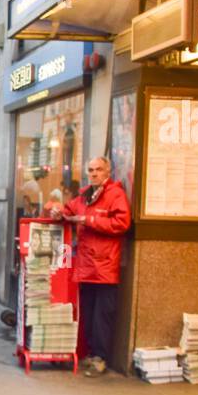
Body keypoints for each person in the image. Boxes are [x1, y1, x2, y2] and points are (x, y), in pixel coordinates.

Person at [51, 156, 131, 377]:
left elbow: (122, 223)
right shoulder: (86, 194)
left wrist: (91, 221)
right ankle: (90, 354)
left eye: (98, 169)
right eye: (90, 170)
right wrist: (58, 212)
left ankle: (100, 357)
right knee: (88, 312)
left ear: (107, 172)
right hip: (87, 265)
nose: (94, 173)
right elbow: (69, 211)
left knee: (102, 315)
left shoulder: (115, 194)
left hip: (105, 265)